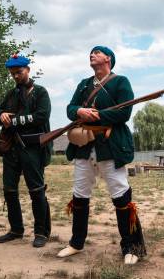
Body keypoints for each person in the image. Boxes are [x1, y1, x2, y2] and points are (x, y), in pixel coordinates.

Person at [57, 46, 146, 265]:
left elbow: (124, 112)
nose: (92, 54)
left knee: (121, 196)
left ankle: (132, 246)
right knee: (79, 195)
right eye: (91, 52)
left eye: (97, 52)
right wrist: (79, 112)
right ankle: (76, 243)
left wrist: (95, 115)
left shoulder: (121, 82)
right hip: (84, 146)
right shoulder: (84, 84)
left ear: (108, 58)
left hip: (110, 145)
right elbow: (70, 108)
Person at [0, 53, 52, 248]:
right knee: (9, 190)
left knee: (36, 191)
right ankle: (16, 229)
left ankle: (42, 232)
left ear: (27, 70)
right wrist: (1, 115)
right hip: (11, 149)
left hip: (33, 148)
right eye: (13, 74)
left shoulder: (40, 92)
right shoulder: (11, 95)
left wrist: (15, 121)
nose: (16, 76)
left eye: (19, 72)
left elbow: (41, 116)